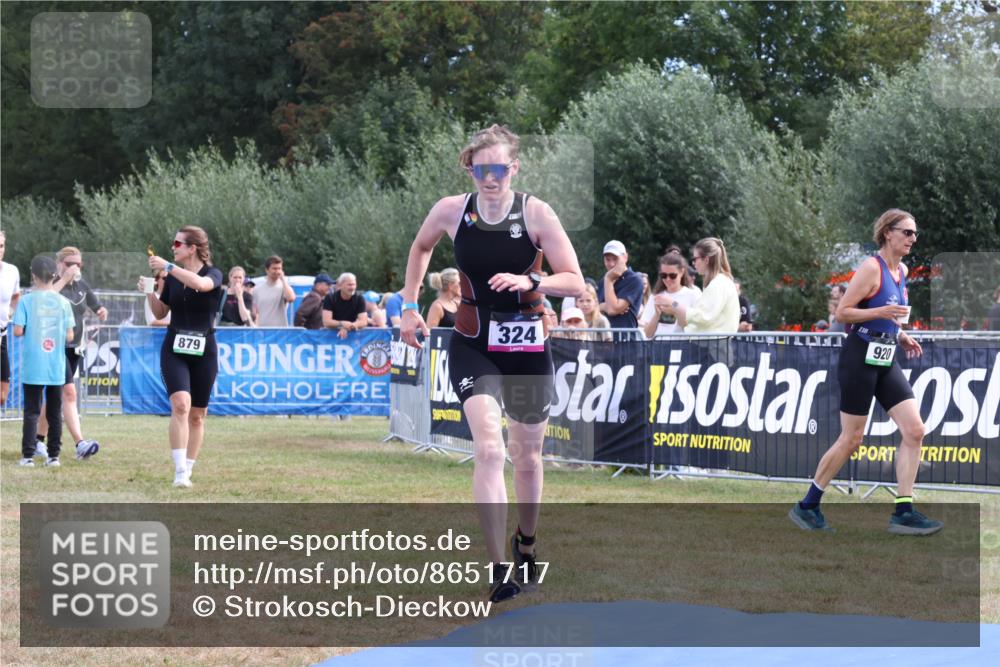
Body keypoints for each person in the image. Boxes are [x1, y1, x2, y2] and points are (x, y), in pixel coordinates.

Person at [399, 124, 584, 603]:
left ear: (514, 168)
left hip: (524, 344)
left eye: (499, 168)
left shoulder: (537, 213)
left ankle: (526, 542)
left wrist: (531, 284)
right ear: (470, 169)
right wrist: (409, 304)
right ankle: (499, 568)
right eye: (481, 169)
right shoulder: (450, 210)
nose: (490, 178)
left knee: (527, 457)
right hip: (473, 341)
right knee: (488, 448)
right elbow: (420, 248)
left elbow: (576, 281)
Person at [789, 209, 942, 535]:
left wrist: (900, 334)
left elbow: (891, 316)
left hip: (885, 357)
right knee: (852, 438)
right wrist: (882, 311)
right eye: (907, 232)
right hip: (859, 356)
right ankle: (808, 504)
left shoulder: (901, 271)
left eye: (915, 234)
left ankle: (904, 511)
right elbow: (844, 313)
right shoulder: (871, 268)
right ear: (888, 232)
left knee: (915, 430)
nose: (913, 239)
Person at [144, 226, 224, 488]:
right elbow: (159, 312)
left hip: (205, 348)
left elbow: (201, 285)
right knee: (180, 404)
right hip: (174, 345)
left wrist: (168, 266)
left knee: (198, 415)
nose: (173, 248)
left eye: (177, 244)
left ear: (193, 248)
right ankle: (179, 472)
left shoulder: (213, 273)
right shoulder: (172, 277)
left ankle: (188, 468)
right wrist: (149, 292)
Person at [35, 247, 106, 461]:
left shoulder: (82, 286)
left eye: (78, 264)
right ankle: (80, 444)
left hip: (75, 347)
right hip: (53, 346)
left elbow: (96, 306)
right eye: (69, 263)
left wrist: (102, 311)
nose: (74, 268)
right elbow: (43, 300)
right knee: (69, 393)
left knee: (56, 396)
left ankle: (37, 439)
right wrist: (63, 279)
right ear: (59, 264)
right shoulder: (51, 282)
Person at [13, 256, 75, 467]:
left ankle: (28, 456)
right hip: (55, 365)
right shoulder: (63, 302)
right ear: (55, 275)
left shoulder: (26, 300)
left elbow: (18, 330)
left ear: (33, 275)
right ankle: (54, 456)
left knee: (31, 411)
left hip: (33, 365)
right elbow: (69, 336)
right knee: (54, 412)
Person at [659, 238, 740, 334]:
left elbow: (703, 317)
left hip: (713, 345)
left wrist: (674, 304)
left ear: (706, 260)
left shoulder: (718, 283)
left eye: (695, 259)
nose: (693, 263)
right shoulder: (720, 281)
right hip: (713, 344)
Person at [640, 251, 701, 338]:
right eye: (663, 275)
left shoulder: (693, 295)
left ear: (682, 272)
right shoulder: (655, 296)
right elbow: (647, 334)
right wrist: (656, 315)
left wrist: (674, 308)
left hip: (683, 346)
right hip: (659, 347)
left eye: (672, 275)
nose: (668, 279)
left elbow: (695, 329)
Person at [597, 240, 643, 332]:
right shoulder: (603, 281)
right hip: (604, 339)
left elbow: (612, 310)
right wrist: (603, 306)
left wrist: (609, 280)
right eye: (608, 259)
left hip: (625, 341)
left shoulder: (634, 279)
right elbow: (593, 309)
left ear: (625, 257)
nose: (611, 264)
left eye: (615, 259)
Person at [0, 230, 21, 407]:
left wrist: (15, 313)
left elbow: (15, 297)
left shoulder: (11, 271)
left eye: (1, 246)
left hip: (2, 335)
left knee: (2, 395)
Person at [322, 272, 368, 340]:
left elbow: (364, 321)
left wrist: (350, 326)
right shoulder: (330, 298)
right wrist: (342, 324)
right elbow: (326, 322)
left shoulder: (359, 298)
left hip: (352, 336)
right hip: (331, 336)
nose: (352, 287)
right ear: (341, 285)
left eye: (354, 285)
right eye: (349, 285)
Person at [255, 255, 295, 327]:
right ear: (267, 270)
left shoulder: (284, 287)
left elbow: (291, 298)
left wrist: (283, 279)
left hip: (280, 332)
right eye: (274, 268)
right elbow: (255, 312)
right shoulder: (257, 289)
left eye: (279, 268)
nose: (277, 271)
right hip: (262, 331)